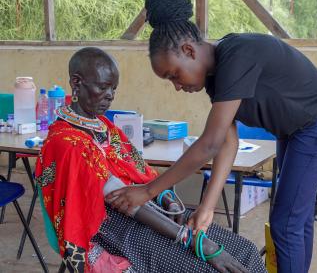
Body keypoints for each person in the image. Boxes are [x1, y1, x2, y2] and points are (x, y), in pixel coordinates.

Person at [107, 0, 317, 273]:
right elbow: (227, 143)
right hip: (294, 130)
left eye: (174, 74)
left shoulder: (236, 56)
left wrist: (148, 190)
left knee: (286, 221)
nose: (177, 85)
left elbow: (210, 143)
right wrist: (207, 207)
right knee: (296, 215)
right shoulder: (215, 78)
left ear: (188, 50)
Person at [35, 47, 265, 273]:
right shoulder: (65, 142)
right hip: (113, 227)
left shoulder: (105, 127)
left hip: (148, 210)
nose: (110, 96)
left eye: (113, 89)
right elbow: (119, 200)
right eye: (103, 87)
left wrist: (167, 198)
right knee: (207, 266)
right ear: (76, 83)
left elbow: (141, 174)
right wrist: (193, 241)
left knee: (246, 251)